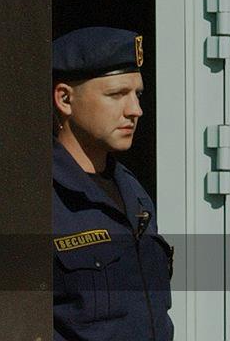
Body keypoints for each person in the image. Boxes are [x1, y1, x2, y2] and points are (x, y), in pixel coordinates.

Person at [51, 27, 174, 341]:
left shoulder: (132, 191)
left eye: (137, 94)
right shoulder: (37, 198)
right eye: (117, 94)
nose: (135, 110)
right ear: (65, 98)